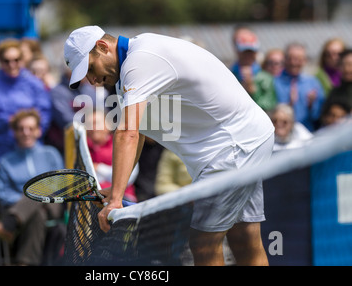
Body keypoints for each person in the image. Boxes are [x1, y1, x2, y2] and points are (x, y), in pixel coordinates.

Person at [64, 26, 275, 266]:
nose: (91, 80)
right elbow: (139, 132)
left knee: (203, 243)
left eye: (91, 68)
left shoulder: (140, 60)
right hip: (248, 139)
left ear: (103, 47)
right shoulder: (132, 69)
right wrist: (116, 191)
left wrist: (114, 201)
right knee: (244, 238)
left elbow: (128, 133)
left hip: (233, 147)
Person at [0, 39, 52, 264]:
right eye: (7, 61)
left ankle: (9, 226)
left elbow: (44, 113)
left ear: (22, 60)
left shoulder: (33, 84)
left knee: (39, 191)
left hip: (32, 154)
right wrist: (4, 121)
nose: (12, 64)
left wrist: (29, 133)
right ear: (0, 62)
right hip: (2, 156)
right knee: (23, 205)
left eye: (17, 60)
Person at [0, 109, 65, 266]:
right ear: (14, 133)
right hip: (24, 212)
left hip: (53, 205)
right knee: (37, 215)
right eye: (21, 129)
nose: (26, 133)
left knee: (39, 189)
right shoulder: (7, 161)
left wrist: (33, 196)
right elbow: (3, 193)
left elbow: (60, 184)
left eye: (31, 128)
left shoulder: (51, 154)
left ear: (39, 131)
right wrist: (25, 201)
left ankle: (8, 224)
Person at [86, 109, 138, 202]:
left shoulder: (122, 145)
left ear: (108, 125)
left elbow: (130, 176)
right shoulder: (84, 148)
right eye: (89, 124)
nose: (92, 128)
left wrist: (99, 168)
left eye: (95, 123)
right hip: (92, 199)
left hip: (123, 198)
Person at [274, 42, 325, 131]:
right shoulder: (274, 82)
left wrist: (311, 105)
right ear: (285, 59)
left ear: (305, 60)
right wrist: (287, 105)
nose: (294, 63)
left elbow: (320, 115)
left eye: (298, 59)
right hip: (280, 134)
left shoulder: (313, 83)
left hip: (307, 133)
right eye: (291, 58)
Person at [230, 27, 277, 112]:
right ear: (237, 51)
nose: (248, 55)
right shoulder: (230, 74)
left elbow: (270, 105)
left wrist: (254, 91)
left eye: (251, 51)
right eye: (245, 51)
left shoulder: (266, 77)